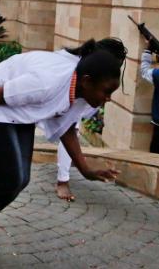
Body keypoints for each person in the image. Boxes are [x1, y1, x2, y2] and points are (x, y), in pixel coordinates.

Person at [0, 44, 122, 253]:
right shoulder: (48, 82)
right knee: (11, 177)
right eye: (106, 91)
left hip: (20, 114)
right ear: (87, 81)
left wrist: (86, 171)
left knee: (20, 180)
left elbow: (66, 129)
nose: (108, 98)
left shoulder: (80, 91)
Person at [54, 37, 128, 202]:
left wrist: (84, 169)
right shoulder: (73, 72)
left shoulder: (87, 75)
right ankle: (62, 180)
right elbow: (67, 130)